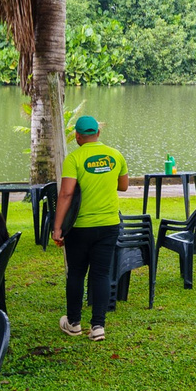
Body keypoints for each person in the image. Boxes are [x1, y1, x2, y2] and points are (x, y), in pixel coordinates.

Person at [53, 114, 127, 341]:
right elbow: (123, 186)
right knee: (101, 274)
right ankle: (98, 327)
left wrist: (57, 228)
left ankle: (74, 322)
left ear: (77, 136)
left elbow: (66, 194)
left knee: (76, 273)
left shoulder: (74, 158)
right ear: (98, 133)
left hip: (80, 226)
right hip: (109, 224)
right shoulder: (115, 155)